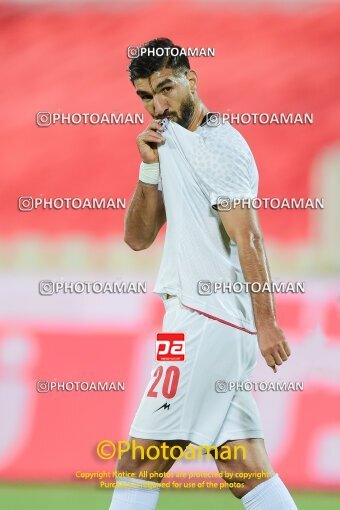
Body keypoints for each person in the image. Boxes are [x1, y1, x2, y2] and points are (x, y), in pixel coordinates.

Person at [108, 37, 297, 510]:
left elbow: (248, 238)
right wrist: (147, 169)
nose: (158, 104)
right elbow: (137, 238)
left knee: (138, 464)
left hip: (203, 320)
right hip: (196, 320)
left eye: (166, 88)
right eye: (147, 96)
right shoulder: (167, 140)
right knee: (245, 471)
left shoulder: (221, 145)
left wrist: (268, 322)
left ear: (192, 80)